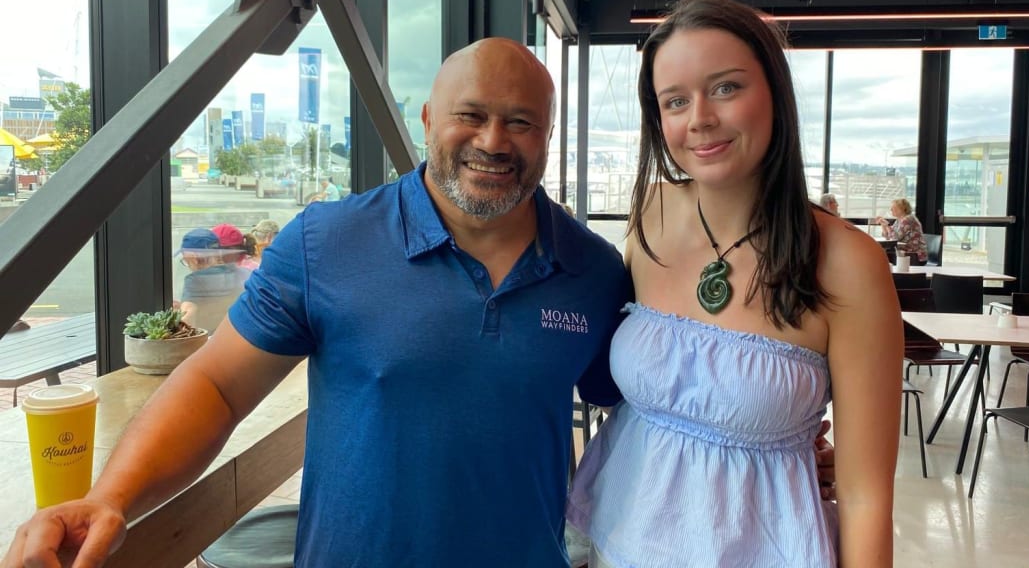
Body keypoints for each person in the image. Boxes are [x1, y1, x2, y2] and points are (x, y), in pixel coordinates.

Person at [0, 38, 633, 567]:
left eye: (521, 122)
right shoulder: (326, 242)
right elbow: (217, 386)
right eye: (470, 114)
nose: (493, 141)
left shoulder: (594, 271)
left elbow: (641, 410)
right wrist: (110, 498)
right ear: (428, 120)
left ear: (547, 135)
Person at [566, 0, 900, 567]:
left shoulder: (847, 262)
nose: (699, 118)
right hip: (618, 542)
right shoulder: (652, 215)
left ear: (774, 92)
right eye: (675, 101)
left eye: (725, 87)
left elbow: (867, 498)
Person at [175, 227, 251, 334]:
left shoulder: (195, 280)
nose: (188, 265)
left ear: (194, 258)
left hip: (210, 341)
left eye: (185, 261)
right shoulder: (245, 273)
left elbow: (186, 321)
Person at [876, 197, 928, 264]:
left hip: (915, 256)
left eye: (894, 207)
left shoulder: (908, 219)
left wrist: (888, 225)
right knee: (884, 256)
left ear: (902, 209)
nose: (891, 209)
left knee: (884, 258)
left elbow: (895, 238)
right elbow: (888, 237)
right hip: (905, 254)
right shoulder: (898, 220)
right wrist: (883, 226)